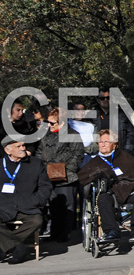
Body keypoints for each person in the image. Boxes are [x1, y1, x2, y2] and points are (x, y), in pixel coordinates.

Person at [77, 130, 134, 242]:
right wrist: (98, 175)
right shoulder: (94, 162)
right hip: (109, 192)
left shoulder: (125, 157)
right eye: (101, 142)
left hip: (129, 190)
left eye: (106, 141)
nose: (102, 144)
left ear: (115, 145)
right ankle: (111, 231)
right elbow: (82, 178)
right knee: (102, 199)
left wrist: (126, 181)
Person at [0, 136, 51, 264]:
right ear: (8, 150)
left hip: (28, 205)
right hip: (4, 206)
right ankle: (19, 247)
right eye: (18, 146)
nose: (23, 148)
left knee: (36, 220)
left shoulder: (35, 163)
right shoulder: (1, 165)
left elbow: (45, 187)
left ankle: (5, 246)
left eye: (23, 145)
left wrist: (36, 201)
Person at [36, 108, 85, 243]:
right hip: (48, 176)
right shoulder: (45, 135)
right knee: (53, 206)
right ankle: (54, 232)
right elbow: (40, 152)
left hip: (66, 177)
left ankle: (65, 233)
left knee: (67, 207)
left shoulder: (72, 135)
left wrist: (64, 170)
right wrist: (43, 169)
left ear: (61, 122)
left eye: (52, 123)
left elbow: (78, 155)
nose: (49, 125)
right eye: (47, 122)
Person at [93, 88, 134, 154]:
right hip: (98, 154)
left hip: (119, 153)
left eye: (108, 98)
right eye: (102, 98)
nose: (105, 100)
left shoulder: (122, 115)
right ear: (98, 100)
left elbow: (131, 133)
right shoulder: (92, 116)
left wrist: (127, 150)